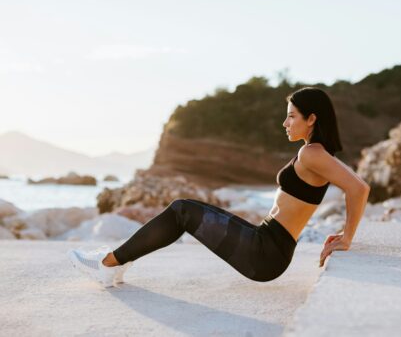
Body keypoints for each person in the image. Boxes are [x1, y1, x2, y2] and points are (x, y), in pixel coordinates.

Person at [67, 87, 370, 287]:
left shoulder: (312, 153)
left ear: (312, 118)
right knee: (184, 210)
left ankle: (108, 264)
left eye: (291, 116)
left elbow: (359, 189)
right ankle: (118, 261)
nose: (285, 123)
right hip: (265, 244)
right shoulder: (314, 153)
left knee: (182, 210)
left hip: (265, 253)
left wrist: (347, 237)